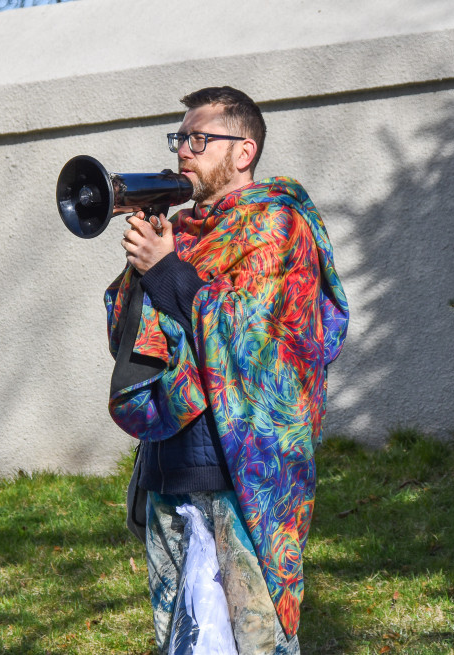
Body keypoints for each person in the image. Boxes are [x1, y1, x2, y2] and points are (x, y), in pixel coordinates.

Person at [103, 86, 348, 655]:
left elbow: (250, 337)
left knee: (257, 642)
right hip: (170, 468)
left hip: (244, 479)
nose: (184, 151)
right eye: (180, 138)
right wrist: (147, 270)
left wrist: (167, 272)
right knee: (179, 641)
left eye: (200, 139)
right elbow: (135, 344)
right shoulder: (183, 233)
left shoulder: (278, 226)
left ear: (244, 151)